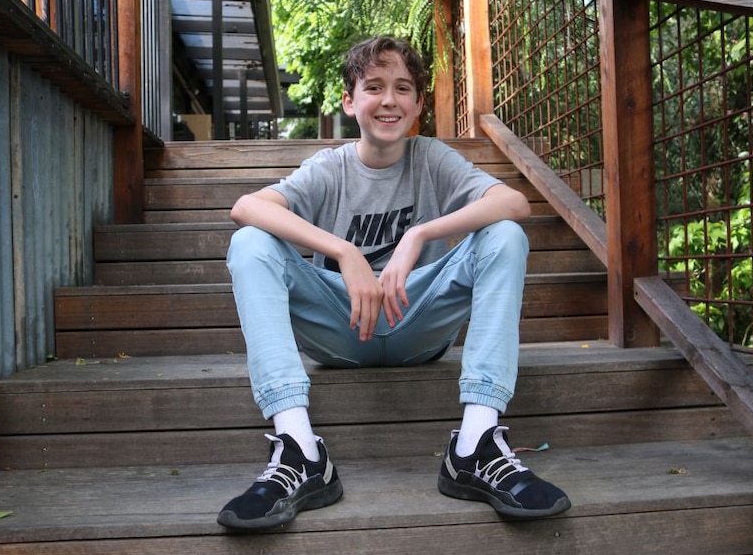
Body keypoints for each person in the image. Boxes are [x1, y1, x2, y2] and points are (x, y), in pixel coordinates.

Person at [217, 35, 571, 530]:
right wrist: (345, 252)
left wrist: (421, 233)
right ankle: (300, 451)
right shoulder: (330, 167)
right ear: (349, 100)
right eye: (374, 87)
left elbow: (513, 203)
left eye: (403, 88)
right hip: (342, 329)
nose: (389, 100)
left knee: (505, 235)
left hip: (416, 324)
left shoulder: (431, 157)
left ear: (419, 103)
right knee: (251, 243)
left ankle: (475, 445)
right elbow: (246, 207)